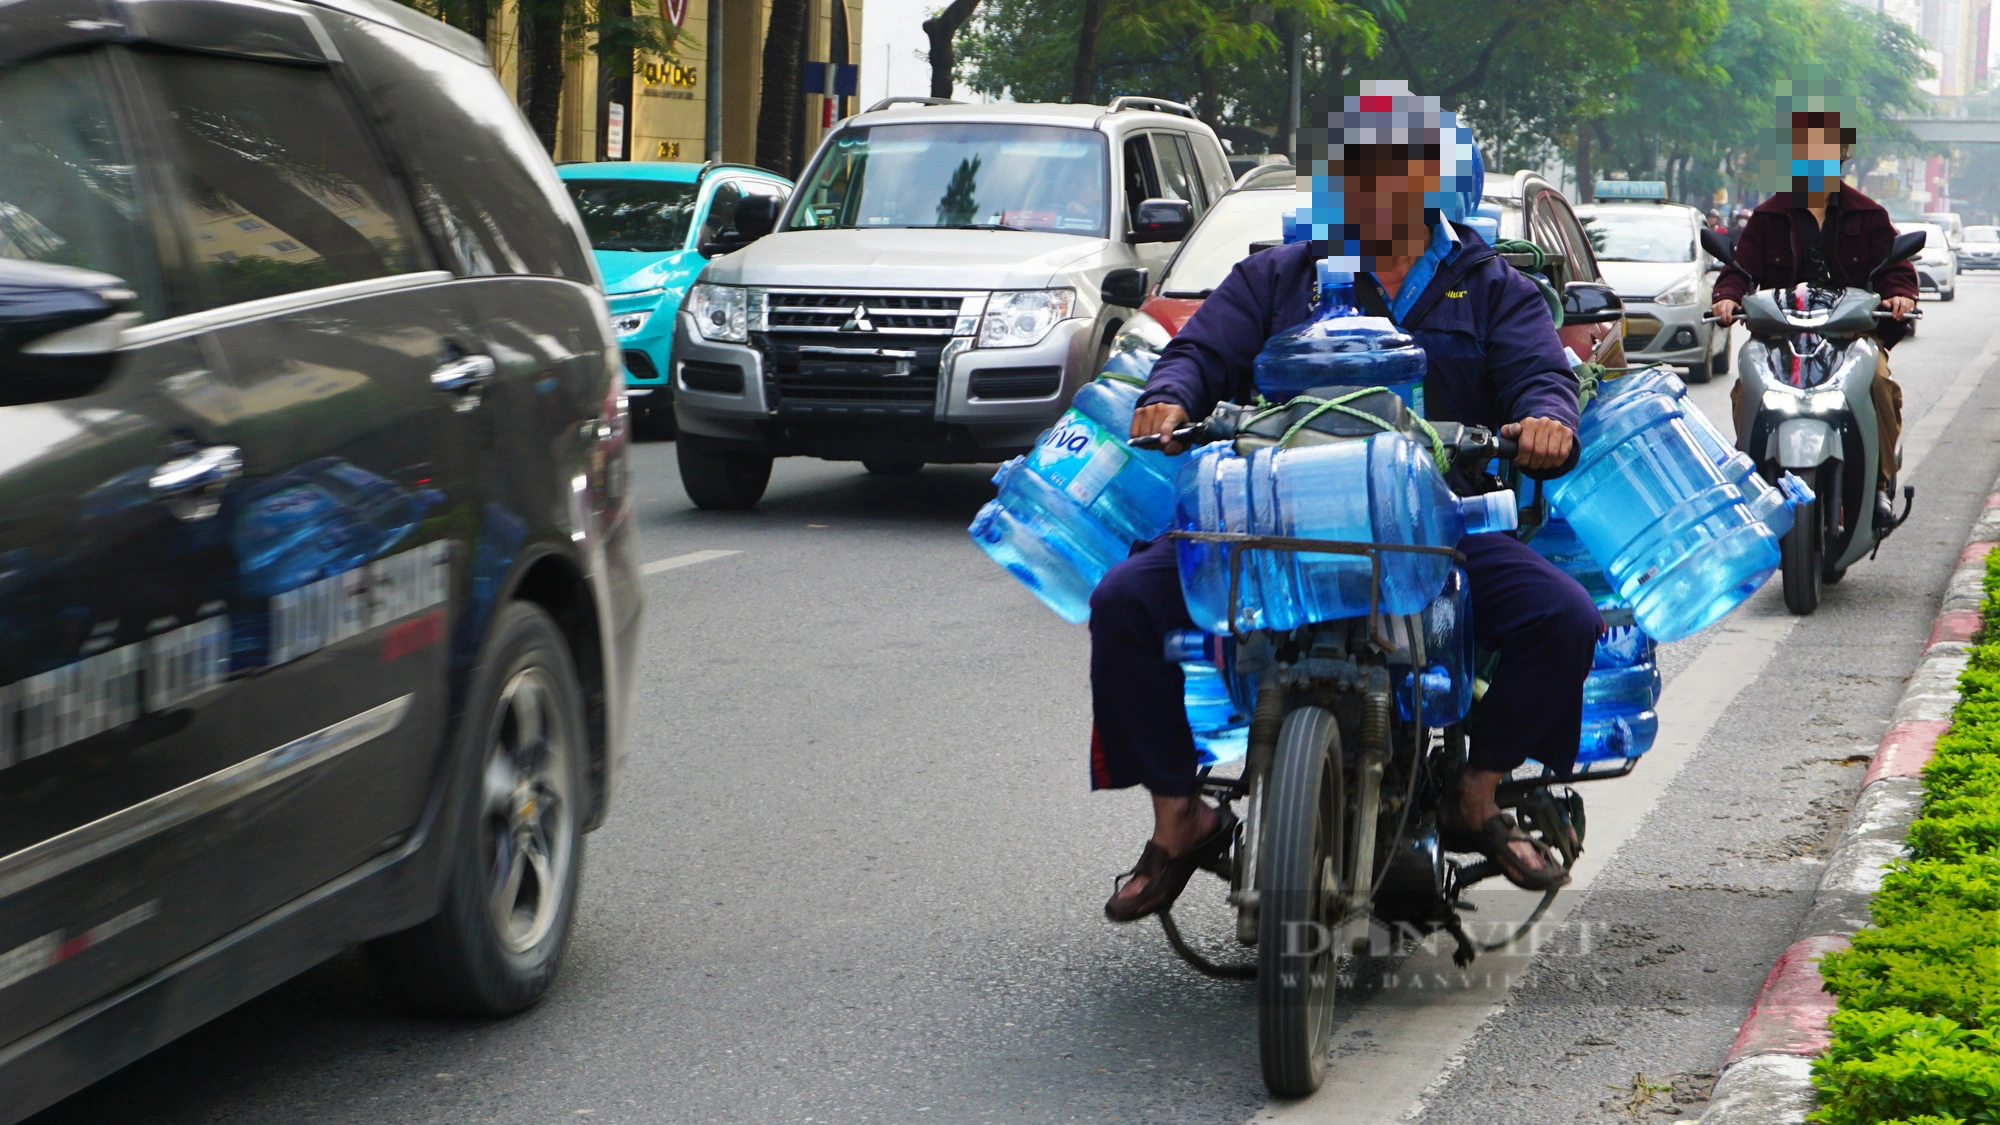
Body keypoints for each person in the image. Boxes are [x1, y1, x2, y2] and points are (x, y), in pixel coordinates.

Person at [1092, 82, 1600, 923]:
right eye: (1353, 170)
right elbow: (1200, 353)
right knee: (1121, 603)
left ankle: (1474, 792)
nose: (1368, 189)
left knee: (1565, 619)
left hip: (1433, 523)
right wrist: (1170, 397)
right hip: (1275, 516)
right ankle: (1178, 813)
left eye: (1389, 170)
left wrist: (1546, 419)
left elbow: (1543, 375)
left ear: (1428, 177)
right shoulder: (1280, 276)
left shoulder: (1489, 285)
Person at [1709, 75, 1914, 527]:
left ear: (1843, 155)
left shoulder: (1870, 214)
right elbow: (1738, 272)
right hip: (1779, 338)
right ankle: (1751, 480)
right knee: (1748, 388)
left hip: (1849, 338)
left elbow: (1896, 268)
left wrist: (1900, 295)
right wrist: (1727, 298)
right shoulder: (1766, 217)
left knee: (1880, 383)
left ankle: (1878, 485)